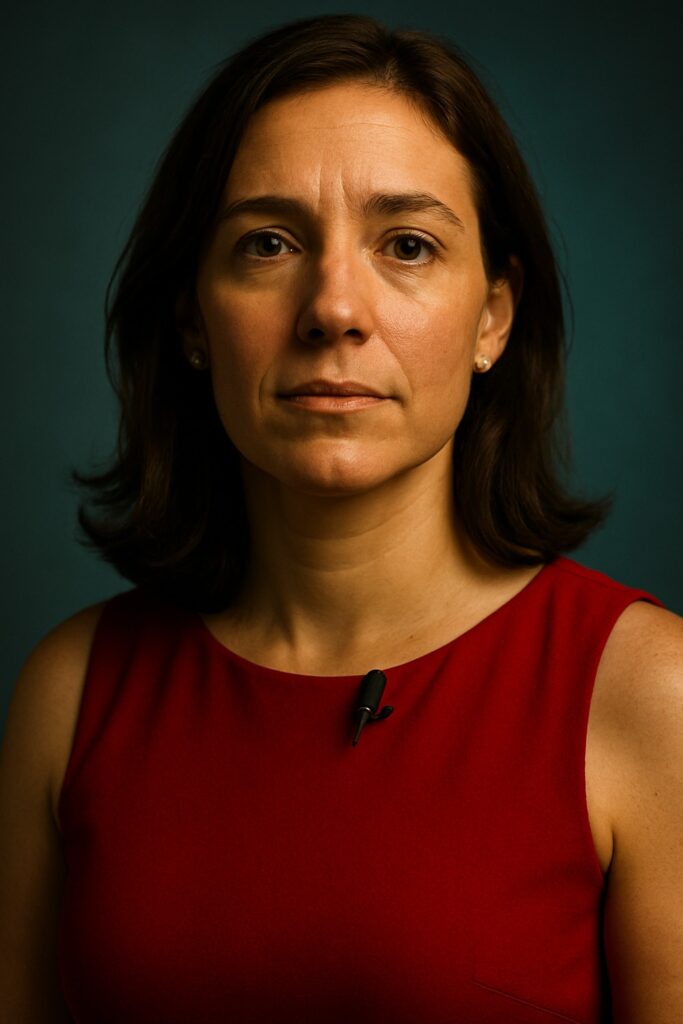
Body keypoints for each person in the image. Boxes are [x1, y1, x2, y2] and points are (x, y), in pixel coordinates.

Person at [1, 12, 681, 1023]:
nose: (333, 308)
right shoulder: (71, 692)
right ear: (192, 318)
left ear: (492, 315)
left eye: (406, 244)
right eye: (267, 243)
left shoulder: (648, 693)